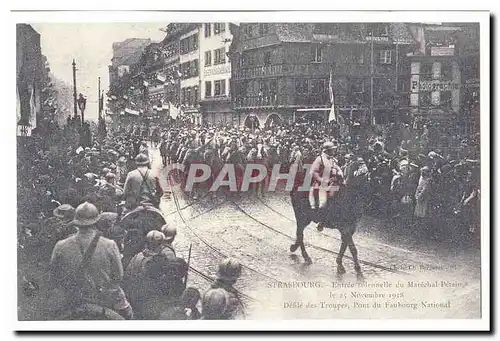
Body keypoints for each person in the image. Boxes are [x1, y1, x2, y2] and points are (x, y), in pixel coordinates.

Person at [49, 202, 132, 319]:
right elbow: (118, 276)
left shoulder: (60, 245)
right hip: (103, 301)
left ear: (76, 221)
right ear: (96, 221)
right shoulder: (110, 244)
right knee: (128, 315)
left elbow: (54, 276)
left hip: (72, 301)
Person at [309, 141, 343, 231]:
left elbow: (337, 168)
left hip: (332, 183)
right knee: (323, 203)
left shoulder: (333, 159)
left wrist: (339, 172)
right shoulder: (319, 159)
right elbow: (313, 172)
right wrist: (322, 180)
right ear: (327, 150)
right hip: (321, 184)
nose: (333, 151)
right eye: (332, 150)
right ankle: (320, 220)